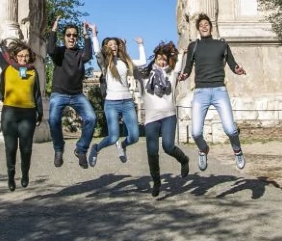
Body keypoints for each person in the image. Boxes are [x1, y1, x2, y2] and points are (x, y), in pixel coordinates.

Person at [178, 13, 247, 171]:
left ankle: (238, 151)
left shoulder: (222, 44)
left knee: (230, 129)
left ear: (211, 26)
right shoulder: (193, 46)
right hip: (200, 92)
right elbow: (188, 68)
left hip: (219, 91)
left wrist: (238, 70)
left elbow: (232, 64)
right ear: (198, 28)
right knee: (195, 133)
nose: (204, 26)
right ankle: (203, 150)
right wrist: (184, 75)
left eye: (206, 24)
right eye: (201, 24)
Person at [0, 20, 43, 191]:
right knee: (10, 148)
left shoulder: (33, 72)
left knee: (26, 149)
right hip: (9, 113)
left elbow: (37, 94)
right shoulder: (7, 67)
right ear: (15, 56)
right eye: (21, 56)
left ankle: (25, 173)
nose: (24, 58)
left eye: (26, 56)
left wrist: (40, 113)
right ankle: (11, 177)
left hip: (28, 114)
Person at [134, 39, 190, 196]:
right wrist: (139, 46)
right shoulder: (144, 77)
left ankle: (184, 159)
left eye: (164, 59)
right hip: (151, 119)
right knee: (152, 151)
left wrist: (182, 53)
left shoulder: (171, 76)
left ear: (167, 61)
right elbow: (132, 67)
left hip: (169, 116)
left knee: (168, 146)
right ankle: (156, 181)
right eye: (159, 58)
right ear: (155, 59)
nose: (161, 61)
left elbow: (178, 66)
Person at [88, 32, 145, 168]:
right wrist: (94, 35)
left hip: (127, 102)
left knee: (135, 136)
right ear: (107, 47)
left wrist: (141, 45)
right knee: (113, 137)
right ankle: (96, 148)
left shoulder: (125, 61)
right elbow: (97, 52)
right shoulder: (105, 63)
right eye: (110, 44)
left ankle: (123, 146)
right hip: (111, 103)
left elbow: (143, 62)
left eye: (115, 44)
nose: (113, 46)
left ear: (119, 47)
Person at [46, 16, 96, 169]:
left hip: (77, 95)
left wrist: (86, 34)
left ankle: (81, 150)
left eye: (75, 35)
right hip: (59, 94)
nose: (72, 38)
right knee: (53, 120)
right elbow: (50, 49)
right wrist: (54, 30)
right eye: (69, 35)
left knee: (91, 118)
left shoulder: (80, 54)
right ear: (64, 37)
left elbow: (88, 55)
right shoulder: (59, 52)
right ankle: (59, 149)